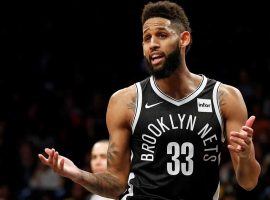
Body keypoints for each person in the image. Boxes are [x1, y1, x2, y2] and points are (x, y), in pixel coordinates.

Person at [38, 1, 261, 199]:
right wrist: (77, 174)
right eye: (147, 38)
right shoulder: (125, 101)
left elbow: (248, 182)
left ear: (184, 39)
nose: (152, 44)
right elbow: (116, 184)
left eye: (161, 35)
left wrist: (246, 155)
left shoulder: (224, 97)